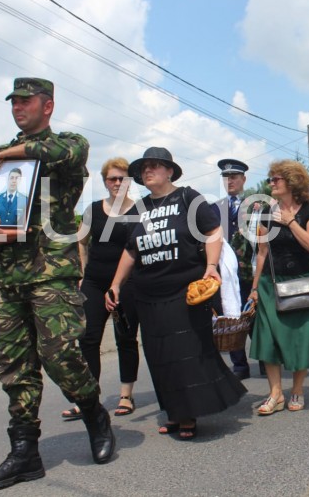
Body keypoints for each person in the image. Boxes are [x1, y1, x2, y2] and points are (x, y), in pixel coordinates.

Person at [0, 78, 115, 490]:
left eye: (25, 101)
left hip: (50, 272)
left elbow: (57, 150)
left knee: (61, 355)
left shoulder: (65, 148)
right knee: (14, 369)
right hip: (4, 278)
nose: (17, 108)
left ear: (47, 106)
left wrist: (6, 154)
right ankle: (25, 453)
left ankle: (93, 413)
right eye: (13, 102)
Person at [105, 147, 246, 439]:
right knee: (159, 357)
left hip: (185, 290)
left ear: (170, 171)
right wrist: (116, 284)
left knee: (188, 353)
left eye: (155, 165)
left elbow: (213, 232)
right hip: (148, 294)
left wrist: (210, 266)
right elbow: (131, 250)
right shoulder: (140, 208)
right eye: (144, 167)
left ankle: (188, 415)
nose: (148, 170)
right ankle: (174, 410)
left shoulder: (188, 197)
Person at [248, 160, 309, 414]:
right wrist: (255, 287)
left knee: (300, 338)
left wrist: (290, 222)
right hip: (269, 284)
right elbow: (262, 252)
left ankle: (297, 390)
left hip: (301, 282)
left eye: (276, 179)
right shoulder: (266, 211)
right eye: (271, 179)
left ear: (291, 181)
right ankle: (275, 393)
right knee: (269, 340)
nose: (271, 183)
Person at [62, 158, 140, 421]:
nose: (117, 183)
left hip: (128, 284)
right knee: (87, 339)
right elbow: (81, 243)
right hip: (94, 283)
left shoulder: (139, 211)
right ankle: (88, 398)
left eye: (122, 178)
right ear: (105, 181)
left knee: (126, 338)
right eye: (112, 179)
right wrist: (82, 275)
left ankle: (126, 395)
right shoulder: (93, 211)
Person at [211, 158, 265, 380]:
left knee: (258, 319)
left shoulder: (257, 206)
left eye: (234, 176)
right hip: (227, 275)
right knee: (232, 317)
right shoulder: (214, 208)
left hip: (251, 272)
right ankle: (239, 365)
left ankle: (265, 361)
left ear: (244, 179)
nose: (230, 180)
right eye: (226, 177)